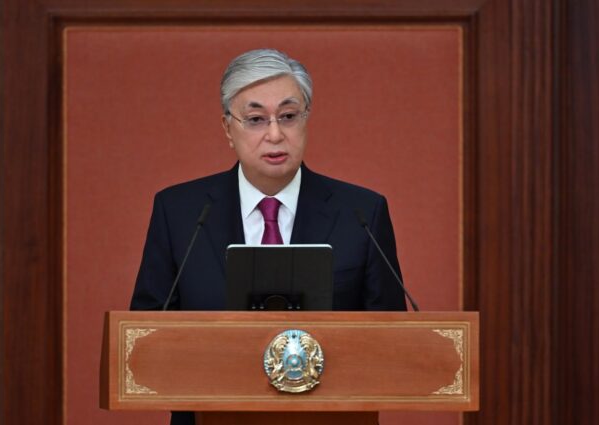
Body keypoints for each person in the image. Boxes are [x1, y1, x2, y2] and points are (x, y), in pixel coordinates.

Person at [130, 48, 407, 425]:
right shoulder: (179, 212)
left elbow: (391, 342)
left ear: (306, 120)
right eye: (256, 119)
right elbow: (145, 337)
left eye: (288, 116)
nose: (275, 134)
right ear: (228, 128)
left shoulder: (361, 213)